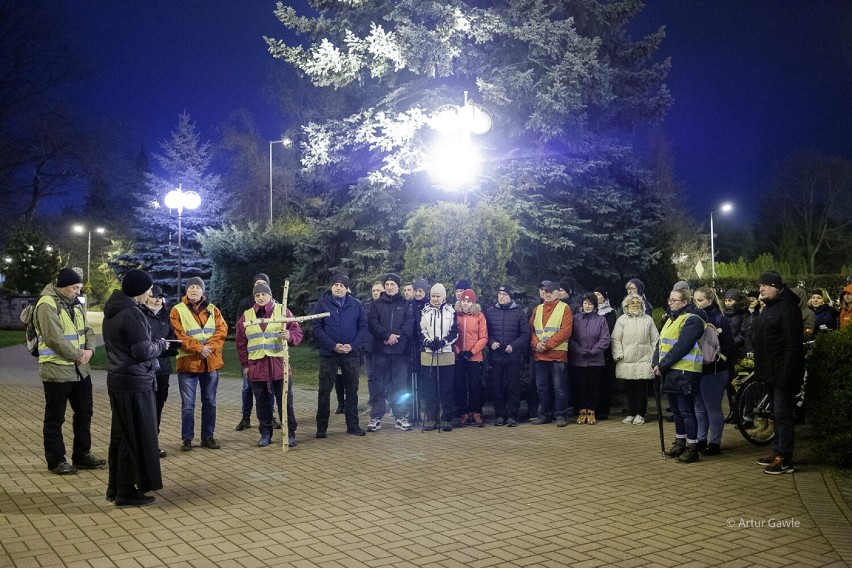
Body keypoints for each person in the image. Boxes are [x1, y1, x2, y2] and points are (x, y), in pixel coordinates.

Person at [102, 269, 165, 507]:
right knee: (133, 437)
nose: (151, 292)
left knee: (120, 436)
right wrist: (160, 344)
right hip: (134, 381)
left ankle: (115, 487)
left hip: (119, 379)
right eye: (148, 288)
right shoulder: (131, 313)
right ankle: (126, 491)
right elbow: (141, 350)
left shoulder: (114, 310)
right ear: (140, 289)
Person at [34, 268, 105, 475]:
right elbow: (53, 338)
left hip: (80, 370)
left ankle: (82, 455)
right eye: (75, 288)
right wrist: (77, 355)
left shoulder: (76, 303)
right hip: (57, 370)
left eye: (79, 288)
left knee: (85, 413)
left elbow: (88, 331)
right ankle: (56, 460)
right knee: (55, 418)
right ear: (62, 286)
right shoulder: (47, 303)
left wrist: (90, 351)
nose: (77, 291)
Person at [235, 281, 303, 447]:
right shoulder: (248, 315)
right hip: (257, 367)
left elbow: (297, 332)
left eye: (264, 294)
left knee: (285, 401)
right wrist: (245, 365)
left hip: (278, 365)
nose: (260, 297)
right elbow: (241, 343)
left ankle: (289, 433)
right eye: (257, 295)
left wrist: (290, 335)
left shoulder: (282, 310)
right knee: (262, 403)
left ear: (270, 295)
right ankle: (265, 433)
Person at [750, 271, 805, 474]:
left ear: (776, 286)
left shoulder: (788, 308)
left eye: (764, 285)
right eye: (760, 285)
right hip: (771, 372)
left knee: (783, 415)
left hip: (783, 374)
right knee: (776, 413)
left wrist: (785, 376)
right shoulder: (770, 308)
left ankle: (785, 458)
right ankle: (777, 451)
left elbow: (793, 346)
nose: (761, 289)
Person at [170, 277, 228, 451]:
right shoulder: (177, 310)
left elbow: (221, 330)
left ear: (203, 291)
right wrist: (199, 349)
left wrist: (208, 348)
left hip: (210, 362)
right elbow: (179, 334)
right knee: (188, 405)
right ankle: (187, 439)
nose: (194, 290)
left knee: (210, 402)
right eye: (191, 287)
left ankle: (207, 437)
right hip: (188, 363)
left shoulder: (213, 309)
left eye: (197, 287)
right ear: (186, 291)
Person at [312, 273, 368, 438]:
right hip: (329, 354)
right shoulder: (322, 305)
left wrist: (352, 346)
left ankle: (353, 426)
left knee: (352, 391)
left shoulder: (356, 305)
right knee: (324, 391)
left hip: (351, 354)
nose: (338, 288)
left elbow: (363, 327)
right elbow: (317, 328)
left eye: (342, 285)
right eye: (336, 285)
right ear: (331, 287)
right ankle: (321, 428)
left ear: (346, 288)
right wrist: (333, 346)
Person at [653, 286, 705, 463]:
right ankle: (680, 442)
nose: (670, 303)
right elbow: (660, 343)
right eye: (669, 300)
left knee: (686, 410)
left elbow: (682, 346)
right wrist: (656, 363)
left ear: (685, 302)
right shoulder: (670, 319)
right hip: (670, 371)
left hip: (686, 371)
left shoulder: (693, 320)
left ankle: (692, 447)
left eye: (673, 301)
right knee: (676, 410)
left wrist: (663, 365)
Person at [367, 273, 414, 432]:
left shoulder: (406, 304)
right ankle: (375, 417)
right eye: (387, 284)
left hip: (399, 353)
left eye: (392, 284)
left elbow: (409, 325)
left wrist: (396, 338)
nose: (389, 287)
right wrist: (386, 336)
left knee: (400, 385)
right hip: (380, 351)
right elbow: (373, 323)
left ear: (397, 286)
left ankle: (401, 416)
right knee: (378, 385)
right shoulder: (376, 304)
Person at [692, 286, 735, 456]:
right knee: (699, 407)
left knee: (712, 407)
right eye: (694, 300)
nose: (697, 303)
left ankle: (715, 442)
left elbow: (729, 345)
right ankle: (701, 440)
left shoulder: (719, 320)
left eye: (700, 300)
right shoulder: (694, 318)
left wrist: (719, 358)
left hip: (715, 370)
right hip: (698, 369)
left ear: (709, 301)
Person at [139, 285, 180, 458]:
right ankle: (143, 445)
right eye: (154, 296)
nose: (157, 299)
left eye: (160, 297)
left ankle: (153, 444)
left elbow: (172, 339)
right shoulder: (140, 314)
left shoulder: (166, 316)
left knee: (158, 407)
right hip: (145, 369)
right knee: (145, 408)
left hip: (162, 369)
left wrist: (171, 345)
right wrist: (158, 345)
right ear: (147, 296)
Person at [235, 273, 279, 431]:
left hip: (271, 357)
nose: (259, 291)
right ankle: (245, 417)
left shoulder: (277, 307)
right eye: (256, 285)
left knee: (271, 388)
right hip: (252, 356)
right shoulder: (246, 304)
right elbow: (241, 332)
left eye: (263, 285)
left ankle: (270, 416)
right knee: (248, 387)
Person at [529, 280, 573, 426]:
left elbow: (566, 331)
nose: (547, 294)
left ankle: (561, 415)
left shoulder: (565, 308)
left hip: (557, 355)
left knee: (559, 387)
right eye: (544, 291)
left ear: (557, 293)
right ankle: (545, 415)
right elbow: (531, 330)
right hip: (540, 355)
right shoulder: (537, 309)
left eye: (550, 292)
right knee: (542, 387)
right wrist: (536, 344)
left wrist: (546, 345)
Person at [485, 285, 530, 427]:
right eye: (500, 294)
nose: (501, 297)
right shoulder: (491, 312)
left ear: (510, 296)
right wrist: (491, 343)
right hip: (496, 357)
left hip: (513, 357)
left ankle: (512, 416)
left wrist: (514, 346)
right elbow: (485, 333)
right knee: (496, 387)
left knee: (513, 387)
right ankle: (499, 415)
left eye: (504, 294)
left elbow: (525, 335)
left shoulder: (519, 313)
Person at [612, 293, 659, 425]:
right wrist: (618, 354)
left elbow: (655, 340)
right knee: (630, 388)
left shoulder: (648, 319)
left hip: (645, 359)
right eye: (632, 303)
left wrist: (655, 358)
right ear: (627, 305)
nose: (635, 305)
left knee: (642, 389)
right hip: (626, 359)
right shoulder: (621, 320)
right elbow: (615, 339)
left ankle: (640, 414)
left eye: (638, 302)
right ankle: (631, 413)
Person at [419, 283, 458, 431]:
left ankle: (447, 418)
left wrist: (444, 341)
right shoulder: (424, 311)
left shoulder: (451, 311)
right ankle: (431, 418)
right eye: (433, 296)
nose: (435, 299)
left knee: (446, 387)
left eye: (438, 296)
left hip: (446, 352)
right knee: (430, 388)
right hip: (429, 353)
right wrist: (428, 342)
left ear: (443, 297)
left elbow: (455, 331)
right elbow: (420, 330)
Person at [569, 293, 611, 425]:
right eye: (585, 303)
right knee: (580, 387)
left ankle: (592, 412)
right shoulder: (575, 319)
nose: (587, 306)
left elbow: (605, 339)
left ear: (594, 306)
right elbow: (570, 338)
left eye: (590, 304)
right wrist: (578, 350)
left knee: (593, 387)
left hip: (595, 360)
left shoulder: (601, 320)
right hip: (578, 359)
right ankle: (582, 412)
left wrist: (594, 350)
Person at [453, 288, 488, 427]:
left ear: (473, 303)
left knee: (475, 386)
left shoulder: (479, 316)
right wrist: (458, 351)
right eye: (463, 301)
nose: (466, 304)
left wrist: (471, 352)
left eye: (469, 301)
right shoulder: (455, 315)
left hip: (474, 357)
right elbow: (452, 336)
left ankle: (476, 412)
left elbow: (484, 337)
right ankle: (464, 413)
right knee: (460, 385)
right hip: (459, 356)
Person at [592, 287, 617, 420]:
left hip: (604, 351)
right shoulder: (589, 310)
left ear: (604, 297)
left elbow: (610, 329)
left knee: (604, 381)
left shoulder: (610, 312)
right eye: (594, 293)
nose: (596, 296)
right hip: (590, 350)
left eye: (599, 294)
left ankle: (603, 410)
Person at [362, 281, 384, 417]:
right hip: (368, 347)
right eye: (374, 290)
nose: (375, 292)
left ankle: (384, 403)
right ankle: (372, 403)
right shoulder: (366, 306)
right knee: (370, 377)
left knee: (382, 377)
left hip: (381, 348)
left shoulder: (387, 306)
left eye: (378, 290)